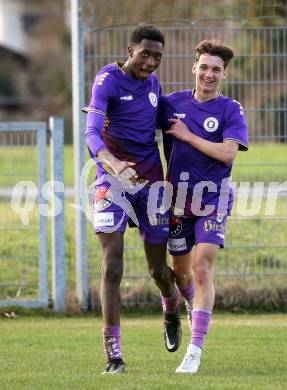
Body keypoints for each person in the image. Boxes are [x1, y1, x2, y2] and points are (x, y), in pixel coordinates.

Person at [84, 25, 182, 375]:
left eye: (157, 56)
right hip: (112, 181)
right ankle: (113, 355)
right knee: (112, 266)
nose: (151, 62)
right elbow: (91, 132)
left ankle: (170, 305)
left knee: (158, 269)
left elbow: (168, 128)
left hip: (150, 183)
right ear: (130, 50)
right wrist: (112, 162)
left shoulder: (154, 85)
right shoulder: (107, 80)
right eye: (145, 54)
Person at [158, 39, 249, 374]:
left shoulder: (230, 109)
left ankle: (194, 350)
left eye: (217, 70)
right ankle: (172, 308)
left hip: (214, 197)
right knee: (179, 273)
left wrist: (186, 135)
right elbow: (137, 119)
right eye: (205, 67)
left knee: (202, 268)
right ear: (194, 68)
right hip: (178, 202)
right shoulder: (171, 104)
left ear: (224, 74)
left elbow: (227, 154)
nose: (209, 74)